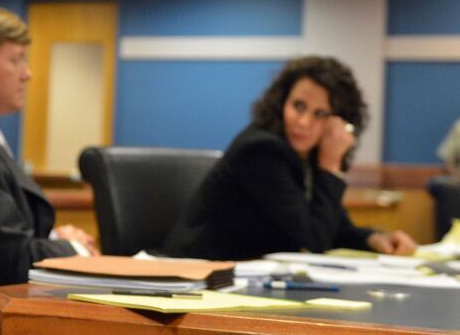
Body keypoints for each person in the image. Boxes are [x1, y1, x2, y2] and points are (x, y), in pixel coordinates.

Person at [163, 56, 417, 260]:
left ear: (337, 123)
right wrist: (330, 164)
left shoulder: (305, 156)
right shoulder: (262, 149)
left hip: (243, 275)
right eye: (298, 106)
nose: (304, 122)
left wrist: (373, 238)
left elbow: (331, 227)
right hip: (199, 272)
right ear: (281, 101)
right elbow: (313, 239)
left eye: (320, 113)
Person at [0, 1, 99, 291]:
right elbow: (7, 261)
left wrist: (54, 240)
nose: (27, 73)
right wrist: (74, 247)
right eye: (16, 59)